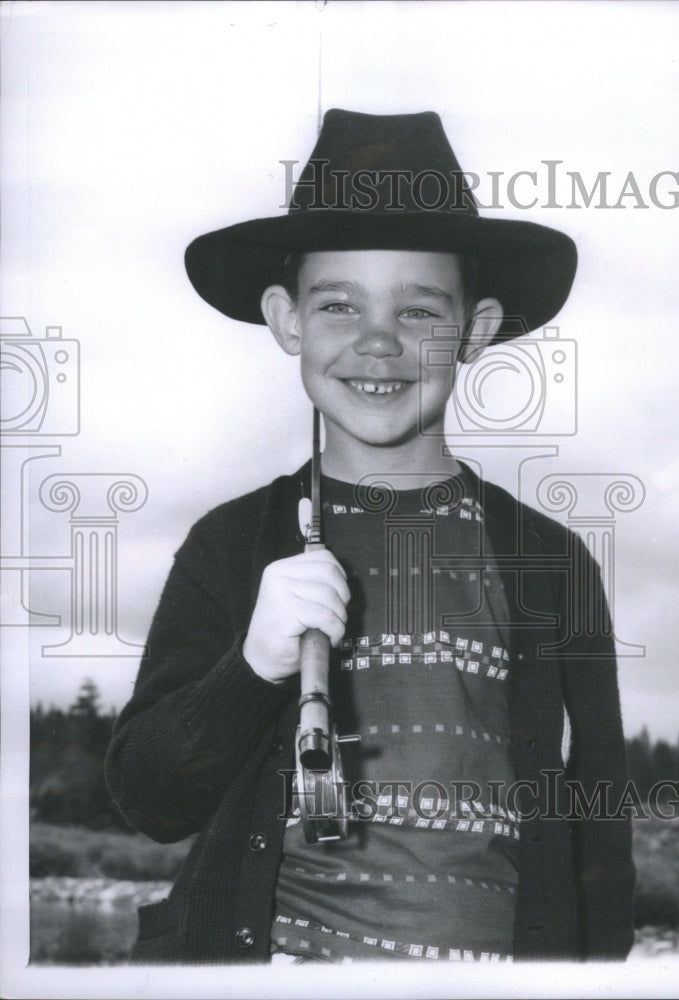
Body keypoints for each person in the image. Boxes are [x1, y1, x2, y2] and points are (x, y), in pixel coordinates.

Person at [105, 109, 635, 964]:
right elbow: (152, 801)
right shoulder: (231, 544)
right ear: (287, 322)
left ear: (475, 328)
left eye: (420, 311)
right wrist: (251, 667)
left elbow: (598, 818)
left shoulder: (551, 560)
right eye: (338, 304)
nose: (378, 341)